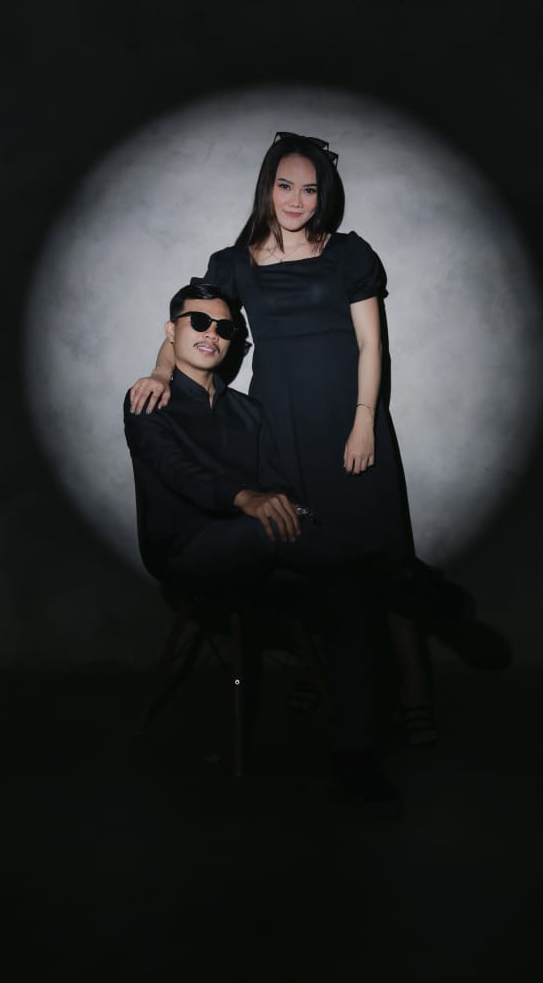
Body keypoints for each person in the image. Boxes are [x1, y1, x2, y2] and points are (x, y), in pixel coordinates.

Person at [129, 132, 439, 746]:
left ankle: (413, 693)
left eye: (310, 189)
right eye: (285, 185)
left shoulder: (349, 253)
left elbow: (372, 344)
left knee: (381, 554)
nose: (297, 200)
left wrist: (364, 421)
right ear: (267, 188)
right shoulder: (234, 263)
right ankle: (317, 670)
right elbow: (193, 317)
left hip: (350, 424)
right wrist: (162, 372)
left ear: (325, 196)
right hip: (280, 429)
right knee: (306, 552)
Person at [124, 281, 403, 814]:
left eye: (225, 328)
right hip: (185, 550)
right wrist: (244, 496)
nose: (211, 334)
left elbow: (278, 487)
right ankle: (405, 575)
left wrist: (288, 508)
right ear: (171, 331)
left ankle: (355, 755)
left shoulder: (249, 413)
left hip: (262, 549)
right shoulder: (150, 399)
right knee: (278, 532)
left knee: (348, 588)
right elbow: (177, 472)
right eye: (198, 322)